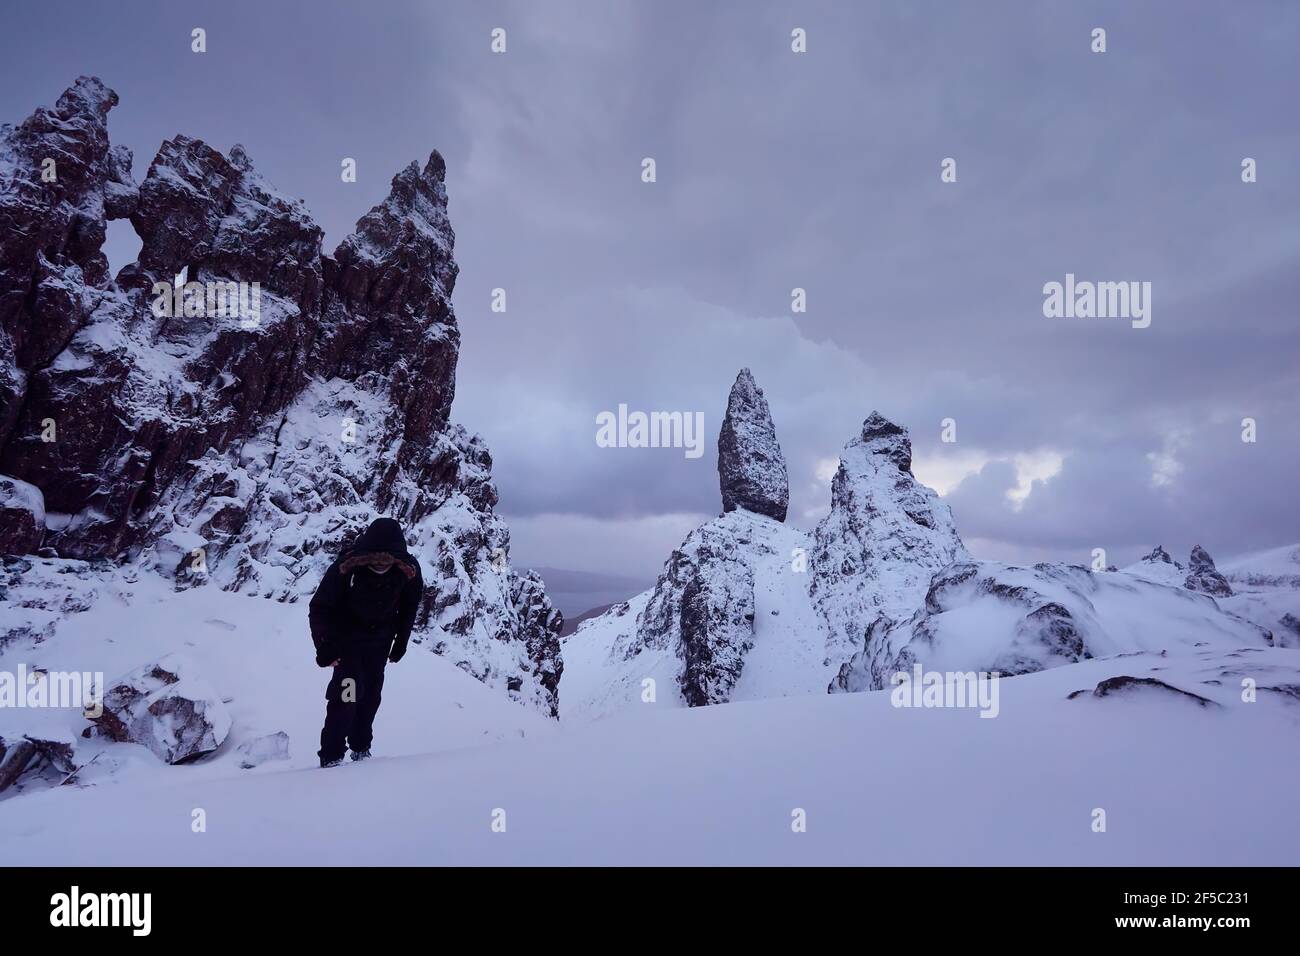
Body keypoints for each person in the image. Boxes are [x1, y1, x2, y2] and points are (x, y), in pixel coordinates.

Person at [308, 517, 423, 768]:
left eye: (387, 559)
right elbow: (319, 607)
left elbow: (409, 607)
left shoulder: (408, 571)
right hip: (347, 645)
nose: (381, 564)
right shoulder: (345, 568)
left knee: (370, 696)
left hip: (379, 646)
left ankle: (361, 749)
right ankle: (332, 754)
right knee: (347, 696)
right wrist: (325, 648)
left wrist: (401, 642)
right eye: (375, 558)